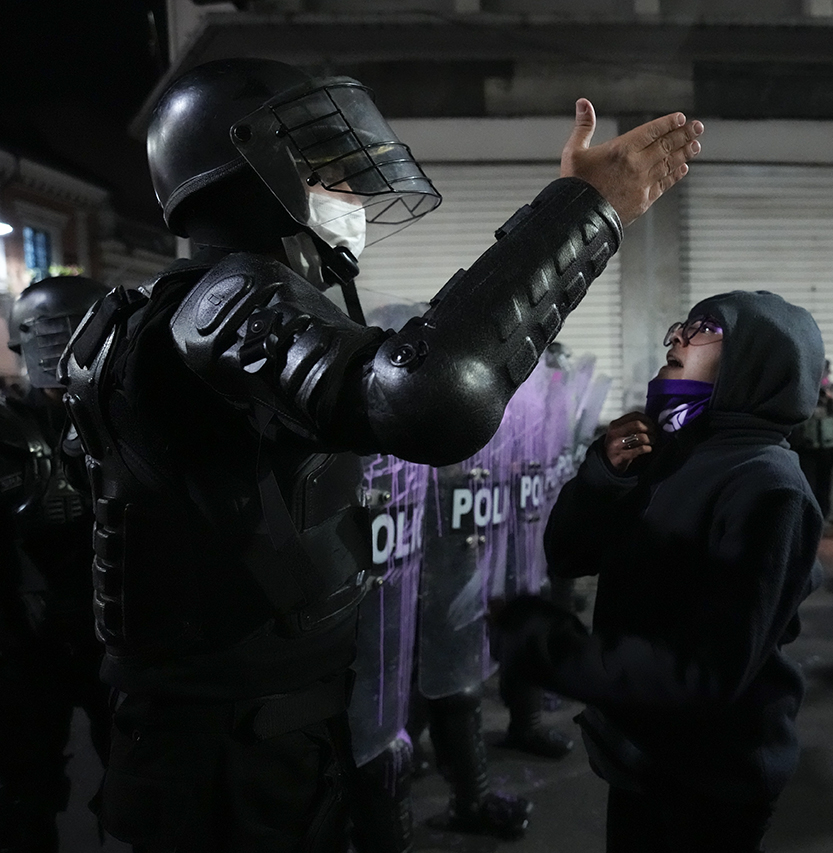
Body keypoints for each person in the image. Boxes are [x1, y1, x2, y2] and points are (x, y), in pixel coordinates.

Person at [60, 57, 702, 852]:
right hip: (233, 755)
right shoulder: (222, 302)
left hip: (247, 728)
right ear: (246, 172)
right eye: (329, 174)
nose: (355, 199)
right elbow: (428, 398)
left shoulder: (179, 311)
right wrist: (587, 208)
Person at [489, 291, 826, 853]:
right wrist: (604, 478)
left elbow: (705, 674)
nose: (676, 338)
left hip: (708, 776)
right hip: (643, 752)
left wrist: (544, 645)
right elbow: (568, 556)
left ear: (756, 361)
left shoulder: (768, 486)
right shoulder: (671, 451)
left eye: (703, 330)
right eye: (682, 326)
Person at [0, 275, 112, 853]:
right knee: (25, 787)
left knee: (136, 776)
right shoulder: (8, 426)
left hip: (110, 627)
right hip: (28, 635)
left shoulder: (120, 419)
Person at [789, 358, 833, 519]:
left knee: (825, 483)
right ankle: (808, 517)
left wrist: (831, 400)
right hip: (806, 444)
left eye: (824, 370)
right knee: (807, 482)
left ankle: (823, 516)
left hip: (827, 446)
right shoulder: (803, 388)